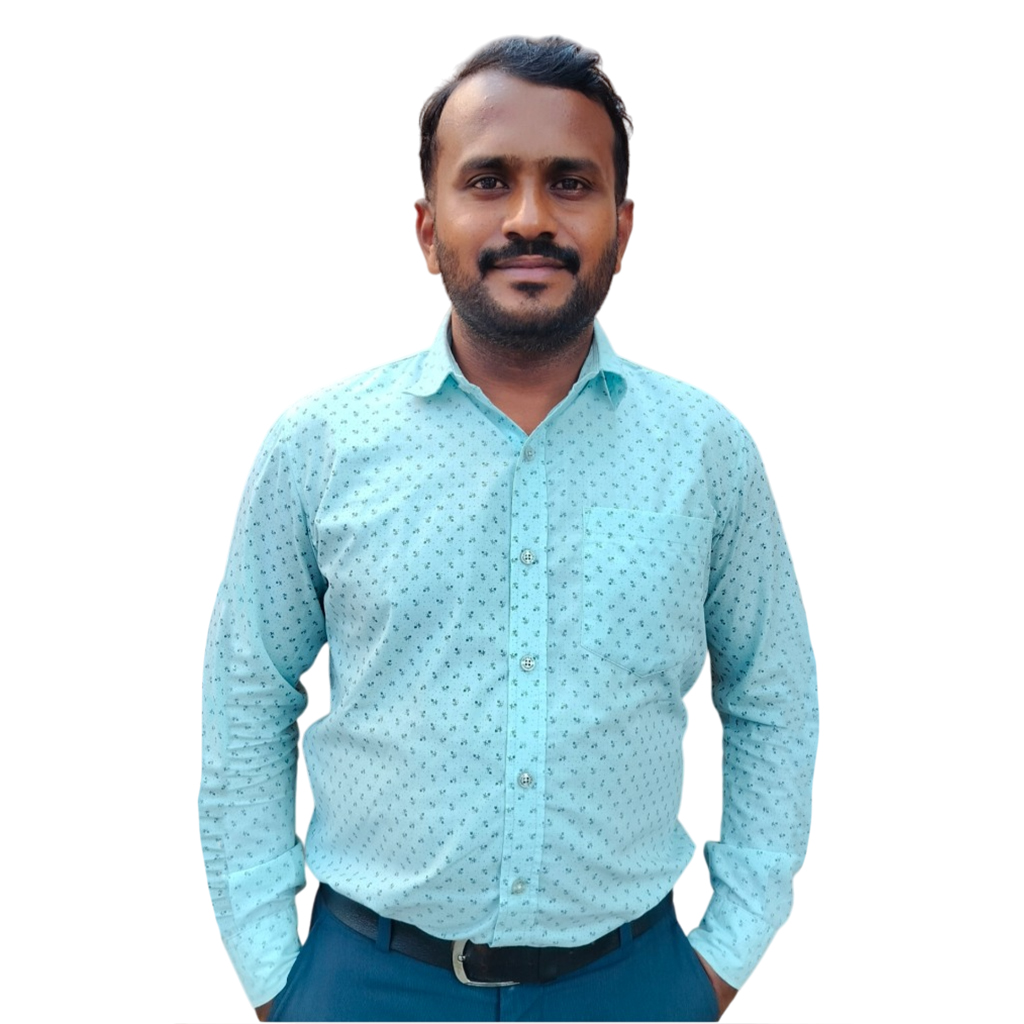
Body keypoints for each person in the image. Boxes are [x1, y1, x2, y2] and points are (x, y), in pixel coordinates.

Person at [200, 35, 818, 1022]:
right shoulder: (319, 447)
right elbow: (246, 692)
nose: (529, 217)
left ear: (622, 226)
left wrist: (725, 951)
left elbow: (772, 694)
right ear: (426, 226)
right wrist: (275, 973)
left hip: (634, 986)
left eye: (569, 182)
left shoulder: (706, 452)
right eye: (488, 181)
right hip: (365, 983)